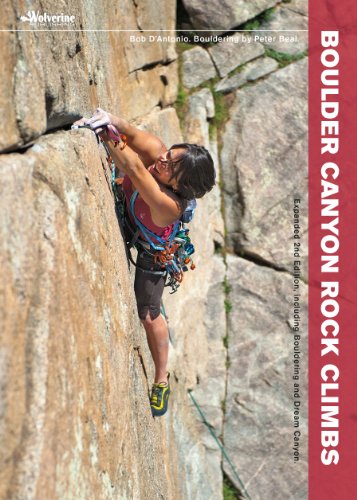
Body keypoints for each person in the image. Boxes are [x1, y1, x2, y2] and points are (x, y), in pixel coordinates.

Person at [73, 108, 216, 416]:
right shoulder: (159, 155)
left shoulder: (169, 205)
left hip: (154, 250)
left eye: (171, 164)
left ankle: (161, 379)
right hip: (131, 215)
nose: (162, 159)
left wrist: (108, 136)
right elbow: (133, 134)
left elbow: (137, 172)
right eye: (169, 154)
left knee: (149, 314)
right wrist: (111, 120)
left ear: (179, 185)